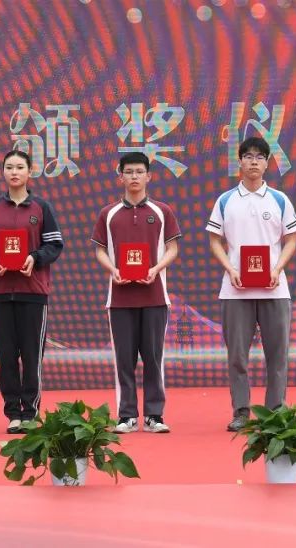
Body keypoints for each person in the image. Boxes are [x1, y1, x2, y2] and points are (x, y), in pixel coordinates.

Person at [206, 136, 296, 432]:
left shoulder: (279, 199)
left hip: (275, 288)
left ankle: (276, 412)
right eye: (248, 156)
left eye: (260, 157)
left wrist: (277, 268)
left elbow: (292, 239)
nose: (253, 162)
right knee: (237, 355)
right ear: (239, 162)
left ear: (267, 162)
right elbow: (215, 240)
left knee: (277, 354)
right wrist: (230, 268)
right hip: (235, 290)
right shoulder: (226, 200)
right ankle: (241, 411)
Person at [0, 150, 64, 434]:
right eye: (9, 167)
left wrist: (35, 258)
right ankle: (13, 412)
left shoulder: (41, 207)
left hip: (33, 291)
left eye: (20, 167)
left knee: (32, 355)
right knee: (7, 355)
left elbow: (54, 245)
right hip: (0, 292)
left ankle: (30, 412)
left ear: (30, 171)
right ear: (3, 172)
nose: (14, 172)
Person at [91, 152, 182, 434]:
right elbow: (100, 250)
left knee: (153, 357)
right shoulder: (108, 214)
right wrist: (113, 270)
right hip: (119, 298)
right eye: (128, 172)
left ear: (148, 176)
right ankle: (126, 415)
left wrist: (156, 269)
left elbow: (173, 248)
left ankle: (154, 415)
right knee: (124, 359)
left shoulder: (162, 211)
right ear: (120, 176)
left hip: (155, 297)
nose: (134, 176)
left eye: (139, 172)